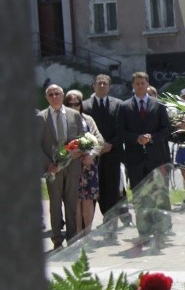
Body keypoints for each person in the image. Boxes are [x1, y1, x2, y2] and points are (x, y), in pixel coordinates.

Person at [116, 72, 172, 239]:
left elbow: (166, 129)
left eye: (143, 83)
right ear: (133, 85)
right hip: (135, 160)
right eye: (137, 83)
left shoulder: (158, 105)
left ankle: (160, 231)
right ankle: (144, 231)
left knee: (158, 195)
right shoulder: (125, 107)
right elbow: (120, 131)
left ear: (148, 85)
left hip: (155, 158)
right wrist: (136, 139)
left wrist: (151, 137)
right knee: (140, 196)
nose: (140, 86)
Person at [39, 84, 84, 248]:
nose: (54, 96)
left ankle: (73, 239)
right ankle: (57, 240)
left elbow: (82, 138)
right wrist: (48, 164)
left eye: (57, 93)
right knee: (55, 204)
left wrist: (80, 150)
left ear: (62, 95)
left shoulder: (74, 115)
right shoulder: (41, 118)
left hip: (72, 166)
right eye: (50, 94)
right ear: (47, 98)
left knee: (72, 204)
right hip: (53, 168)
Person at [81, 74, 124, 221]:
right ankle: (88, 226)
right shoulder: (85, 106)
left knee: (112, 190)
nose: (101, 86)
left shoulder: (118, 105)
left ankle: (111, 224)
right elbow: (84, 130)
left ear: (109, 87)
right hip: (93, 155)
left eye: (104, 83)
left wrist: (110, 144)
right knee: (93, 190)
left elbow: (121, 128)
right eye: (98, 83)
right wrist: (98, 147)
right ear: (93, 86)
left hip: (113, 152)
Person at [64, 90, 104, 233]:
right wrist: (71, 153)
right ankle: (78, 234)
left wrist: (91, 154)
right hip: (71, 165)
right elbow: (60, 143)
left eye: (77, 103)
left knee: (88, 200)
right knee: (75, 200)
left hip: (88, 164)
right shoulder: (63, 120)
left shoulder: (88, 119)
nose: (74, 106)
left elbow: (99, 140)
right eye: (70, 104)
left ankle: (88, 233)